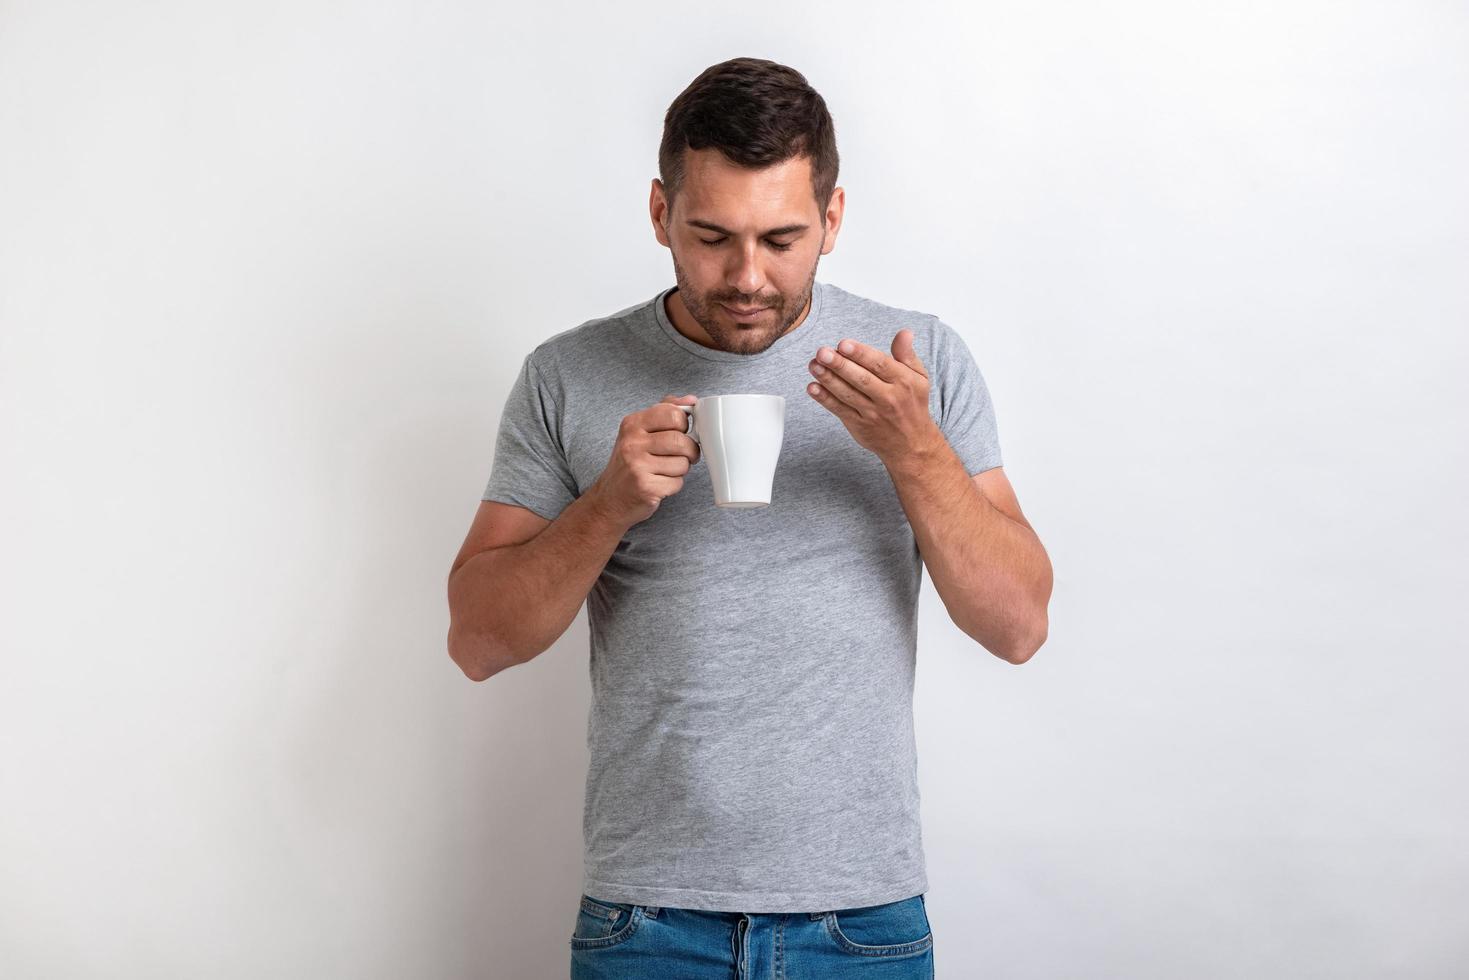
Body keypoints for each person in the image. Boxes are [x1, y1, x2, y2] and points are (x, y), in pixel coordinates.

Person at [447, 56, 1053, 979]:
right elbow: (478, 639)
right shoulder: (567, 374)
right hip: (646, 920)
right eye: (710, 236)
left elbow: (1018, 627)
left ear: (833, 220)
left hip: (860, 918)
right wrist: (608, 505)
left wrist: (914, 453)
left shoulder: (916, 362)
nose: (746, 276)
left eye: (781, 238)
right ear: (659, 214)